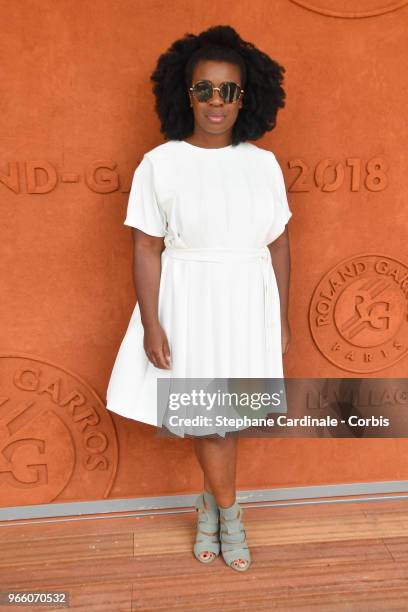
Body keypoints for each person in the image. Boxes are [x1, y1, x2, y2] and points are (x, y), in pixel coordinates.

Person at [106, 24, 292, 572]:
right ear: (186, 95)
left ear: (245, 96)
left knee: (228, 417)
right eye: (205, 89)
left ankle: (208, 505)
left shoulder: (264, 164)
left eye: (228, 90)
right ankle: (231, 515)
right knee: (210, 419)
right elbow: (145, 246)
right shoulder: (159, 164)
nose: (217, 102)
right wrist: (151, 323)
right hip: (188, 297)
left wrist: (278, 317)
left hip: (247, 295)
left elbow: (279, 244)